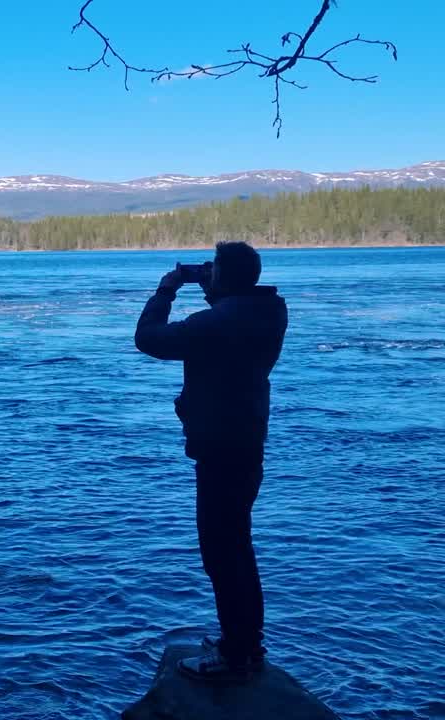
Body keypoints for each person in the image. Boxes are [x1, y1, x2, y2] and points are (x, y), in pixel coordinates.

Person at [134, 241, 288, 678]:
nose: (207, 274)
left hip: (221, 447)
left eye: (213, 269)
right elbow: (237, 304)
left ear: (224, 278)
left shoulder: (216, 323)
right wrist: (215, 284)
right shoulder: (269, 311)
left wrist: (166, 290)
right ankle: (244, 642)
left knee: (223, 553)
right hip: (246, 442)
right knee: (237, 546)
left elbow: (149, 338)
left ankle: (237, 651)